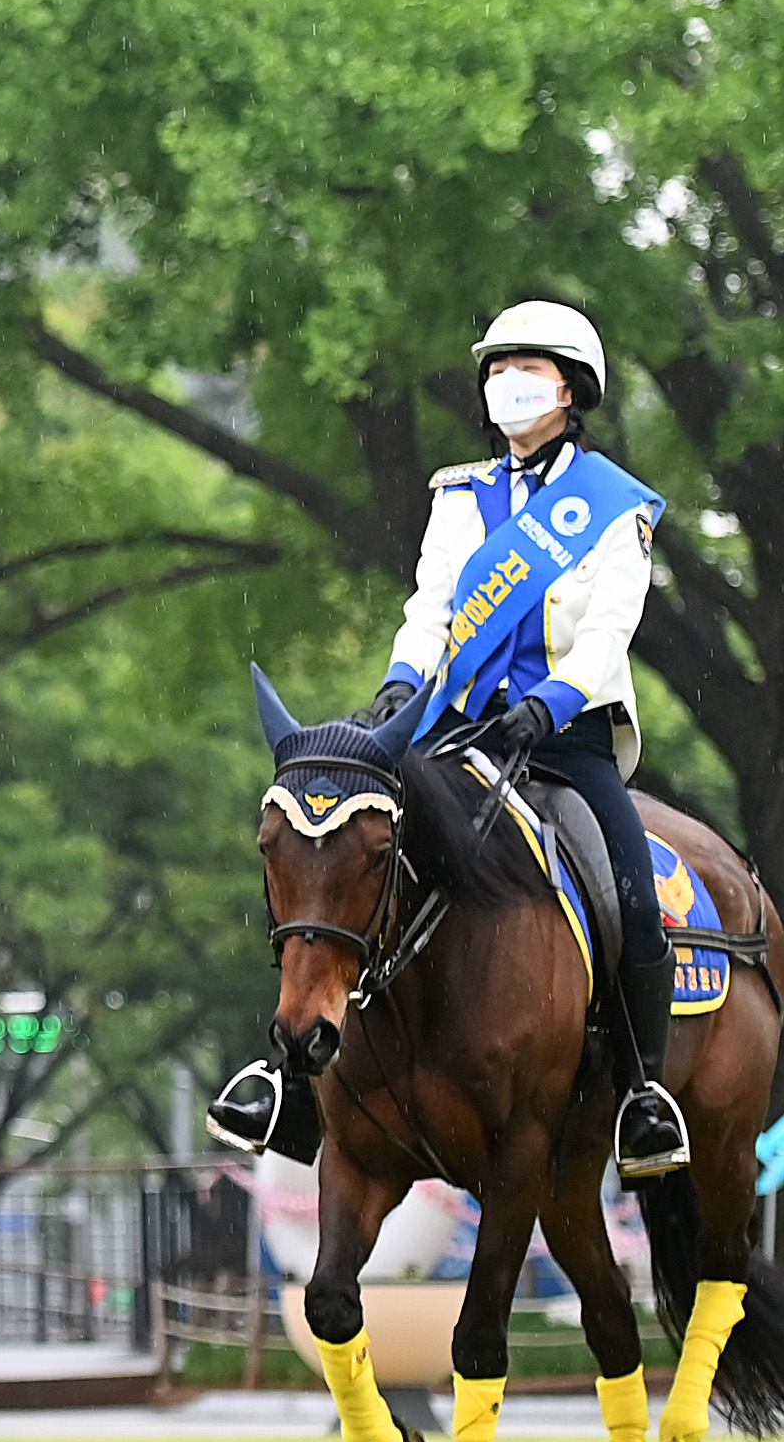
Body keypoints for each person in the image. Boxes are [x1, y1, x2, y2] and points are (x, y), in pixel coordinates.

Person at [211, 301, 689, 1178]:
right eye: (497, 369)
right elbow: (431, 608)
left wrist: (548, 705)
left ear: (571, 389)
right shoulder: (459, 494)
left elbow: (607, 633)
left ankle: (639, 1097)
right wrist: (402, 680)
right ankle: (284, 1079)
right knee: (332, 847)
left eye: (528, 370)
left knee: (627, 894)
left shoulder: (615, 508)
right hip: (452, 729)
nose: (507, 385)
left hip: (564, 738)